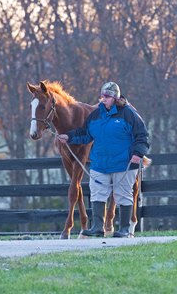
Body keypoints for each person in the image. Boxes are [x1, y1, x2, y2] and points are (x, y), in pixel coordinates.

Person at [57, 81, 150, 238]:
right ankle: (97, 227)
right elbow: (85, 133)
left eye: (106, 96)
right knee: (97, 194)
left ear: (115, 97)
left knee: (123, 194)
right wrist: (69, 136)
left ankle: (125, 229)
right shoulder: (96, 115)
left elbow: (142, 136)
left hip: (123, 163)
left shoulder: (128, 114)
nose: (103, 99)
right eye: (102, 96)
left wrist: (138, 153)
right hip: (100, 164)